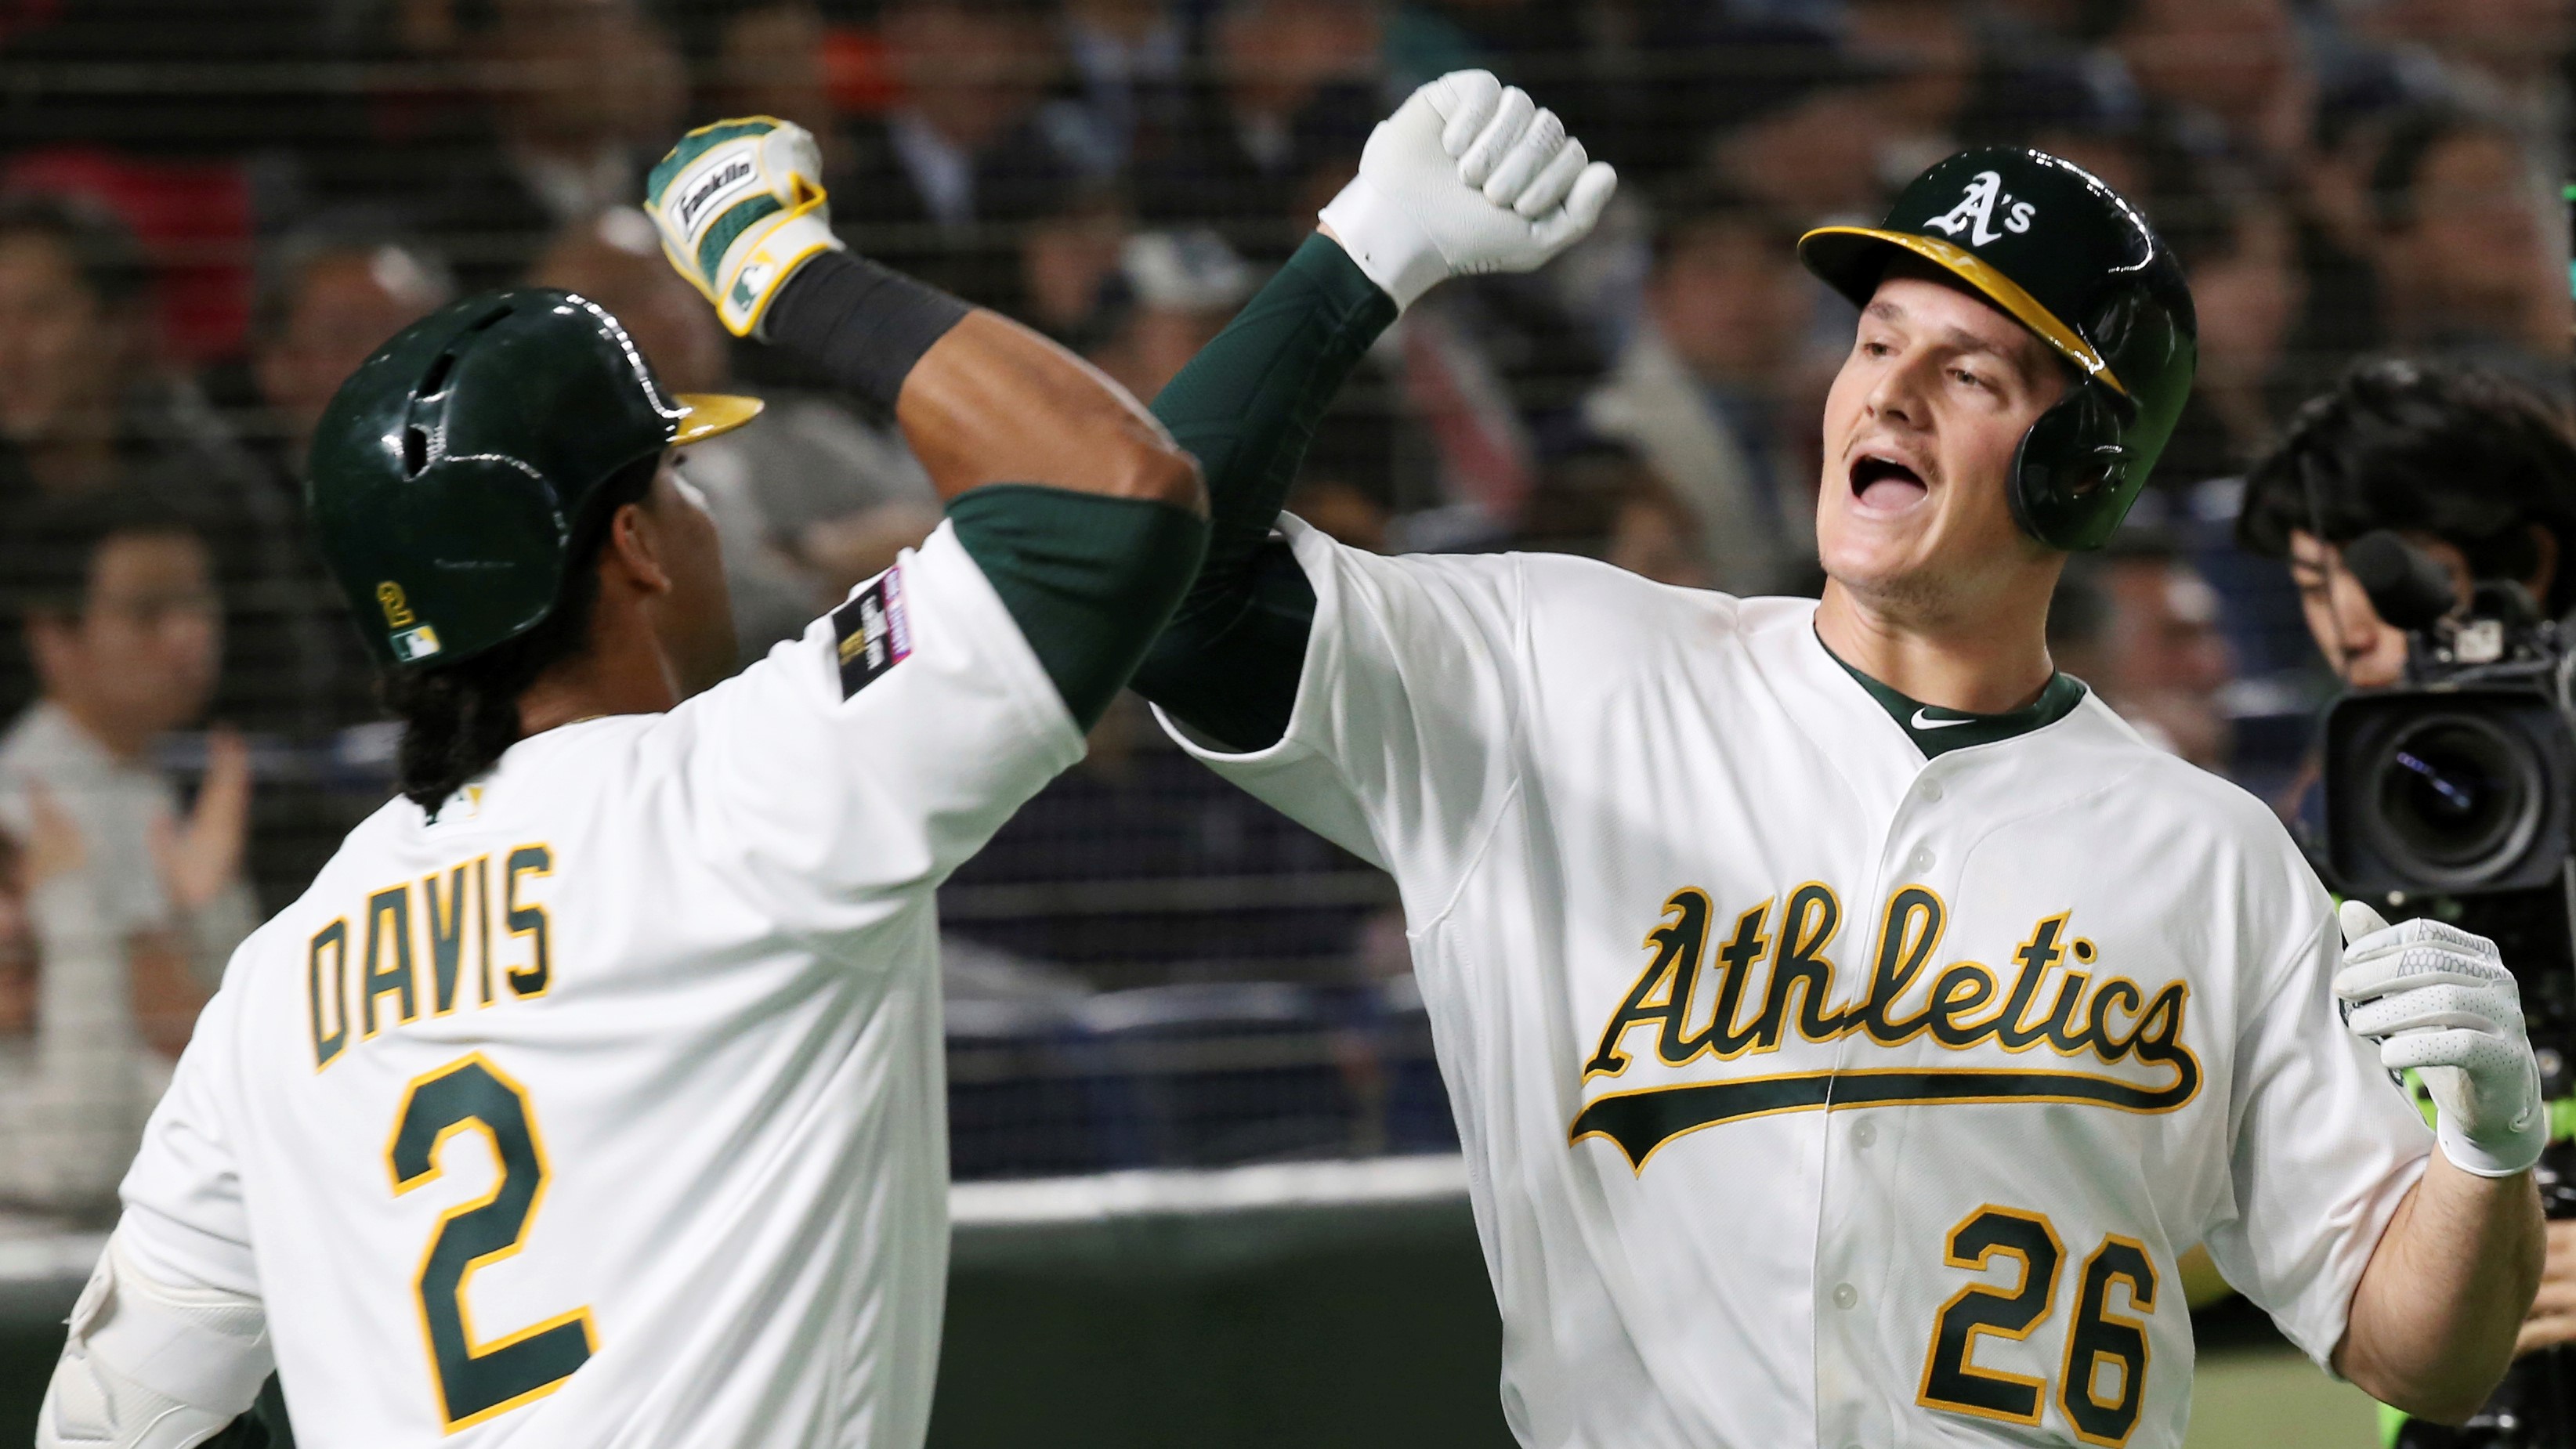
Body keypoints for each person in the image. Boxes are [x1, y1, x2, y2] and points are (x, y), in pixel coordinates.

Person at [33, 78, 1613, 1447]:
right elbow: (1115, 500)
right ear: (638, 545)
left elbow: (121, 1417)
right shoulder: (744, 792)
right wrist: (779, 264)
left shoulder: (284, 971)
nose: (717, 516)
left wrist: (1363, 252)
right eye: (686, 476)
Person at [1131, 143, 2544, 1443]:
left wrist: (2482, 1157)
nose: (1885, 390)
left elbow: (2414, 1353)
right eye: (1874, 342)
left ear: (2082, 466)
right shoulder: (1550, 676)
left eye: (1968, 373)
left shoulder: (2206, 857)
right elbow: (1148, 575)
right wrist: (1359, 256)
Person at [0, 489, 253, 1215]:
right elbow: (168, 1016)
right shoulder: (28, 809)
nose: (189, 636)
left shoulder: (141, 782)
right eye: (147, 614)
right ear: (56, 637)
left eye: (199, 606)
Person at [1584, 182, 1818, 596]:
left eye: (1769, 270)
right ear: (1655, 295)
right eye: (1713, 270)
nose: (1745, 295)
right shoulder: (1609, 437)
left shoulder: (1802, 420)